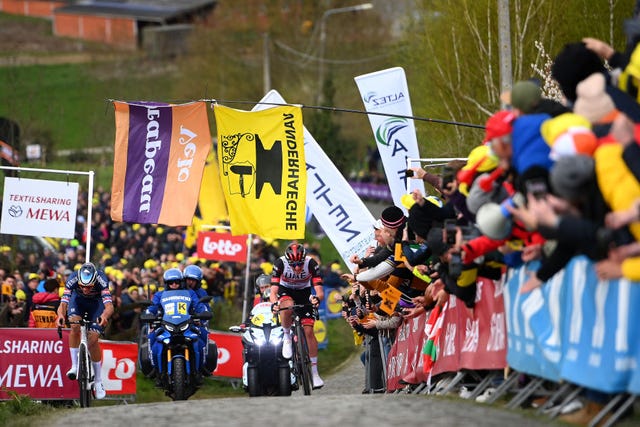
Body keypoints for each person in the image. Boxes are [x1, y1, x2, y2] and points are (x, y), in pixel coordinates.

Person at [270, 242, 325, 389]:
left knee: (308, 331)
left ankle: (314, 372)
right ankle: (287, 336)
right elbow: (273, 292)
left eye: (300, 264)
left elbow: (319, 291)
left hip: (303, 292)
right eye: (293, 265)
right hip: (285, 290)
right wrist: (275, 303)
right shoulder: (280, 263)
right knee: (287, 306)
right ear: (288, 261)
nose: (297, 268)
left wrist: (317, 299)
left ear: (305, 259)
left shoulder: (311, 264)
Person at [56, 262, 113, 400]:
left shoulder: (101, 279)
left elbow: (109, 306)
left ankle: (98, 381)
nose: (86, 289)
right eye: (82, 286)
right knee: (75, 327)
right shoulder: (72, 278)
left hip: (96, 305)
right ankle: (75, 366)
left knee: (93, 340)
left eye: (89, 287)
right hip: (78, 302)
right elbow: (63, 303)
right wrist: (60, 316)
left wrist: (104, 317)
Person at [145, 268, 210, 382]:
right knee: (151, 339)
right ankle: (156, 370)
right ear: (166, 283)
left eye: (177, 282)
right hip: (165, 325)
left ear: (181, 282)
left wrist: (203, 313)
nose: (174, 284)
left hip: (187, 325)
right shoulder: (159, 295)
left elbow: (199, 305)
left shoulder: (190, 293)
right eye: (171, 282)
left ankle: (200, 369)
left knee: (202, 337)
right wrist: (149, 314)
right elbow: (152, 307)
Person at [183, 264, 212, 376]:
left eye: (193, 280)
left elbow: (206, 309)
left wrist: (202, 320)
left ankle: (202, 365)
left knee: (204, 334)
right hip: (176, 322)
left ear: (198, 282)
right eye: (188, 279)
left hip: (194, 323)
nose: (190, 282)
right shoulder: (177, 290)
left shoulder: (202, 293)